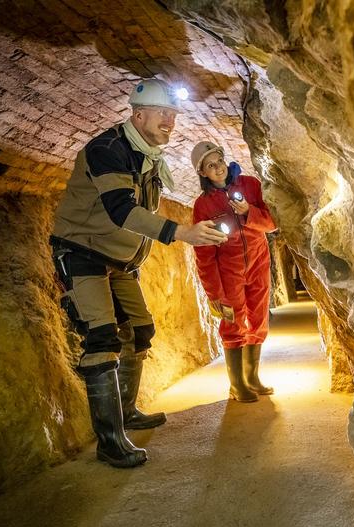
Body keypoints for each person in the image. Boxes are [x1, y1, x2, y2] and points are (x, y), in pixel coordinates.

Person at [50, 79, 228, 468]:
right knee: (101, 339)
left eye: (173, 114)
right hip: (82, 252)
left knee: (141, 330)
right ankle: (110, 441)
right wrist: (181, 232)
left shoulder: (147, 155)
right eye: (163, 113)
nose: (170, 121)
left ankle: (127, 410)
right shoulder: (108, 149)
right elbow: (120, 210)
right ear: (138, 114)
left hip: (119, 262)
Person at [190, 141, 277, 403]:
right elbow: (204, 254)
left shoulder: (250, 185)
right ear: (203, 172)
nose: (219, 169)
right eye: (211, 166)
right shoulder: (203, 205)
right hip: (228, 270)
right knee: (232, 322)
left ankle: (253, 378)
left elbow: (272, 224)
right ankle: (237, 383)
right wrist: (214, 292)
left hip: (259, 262)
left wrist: (249, 211)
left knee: (259, 319)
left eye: (219, 161)